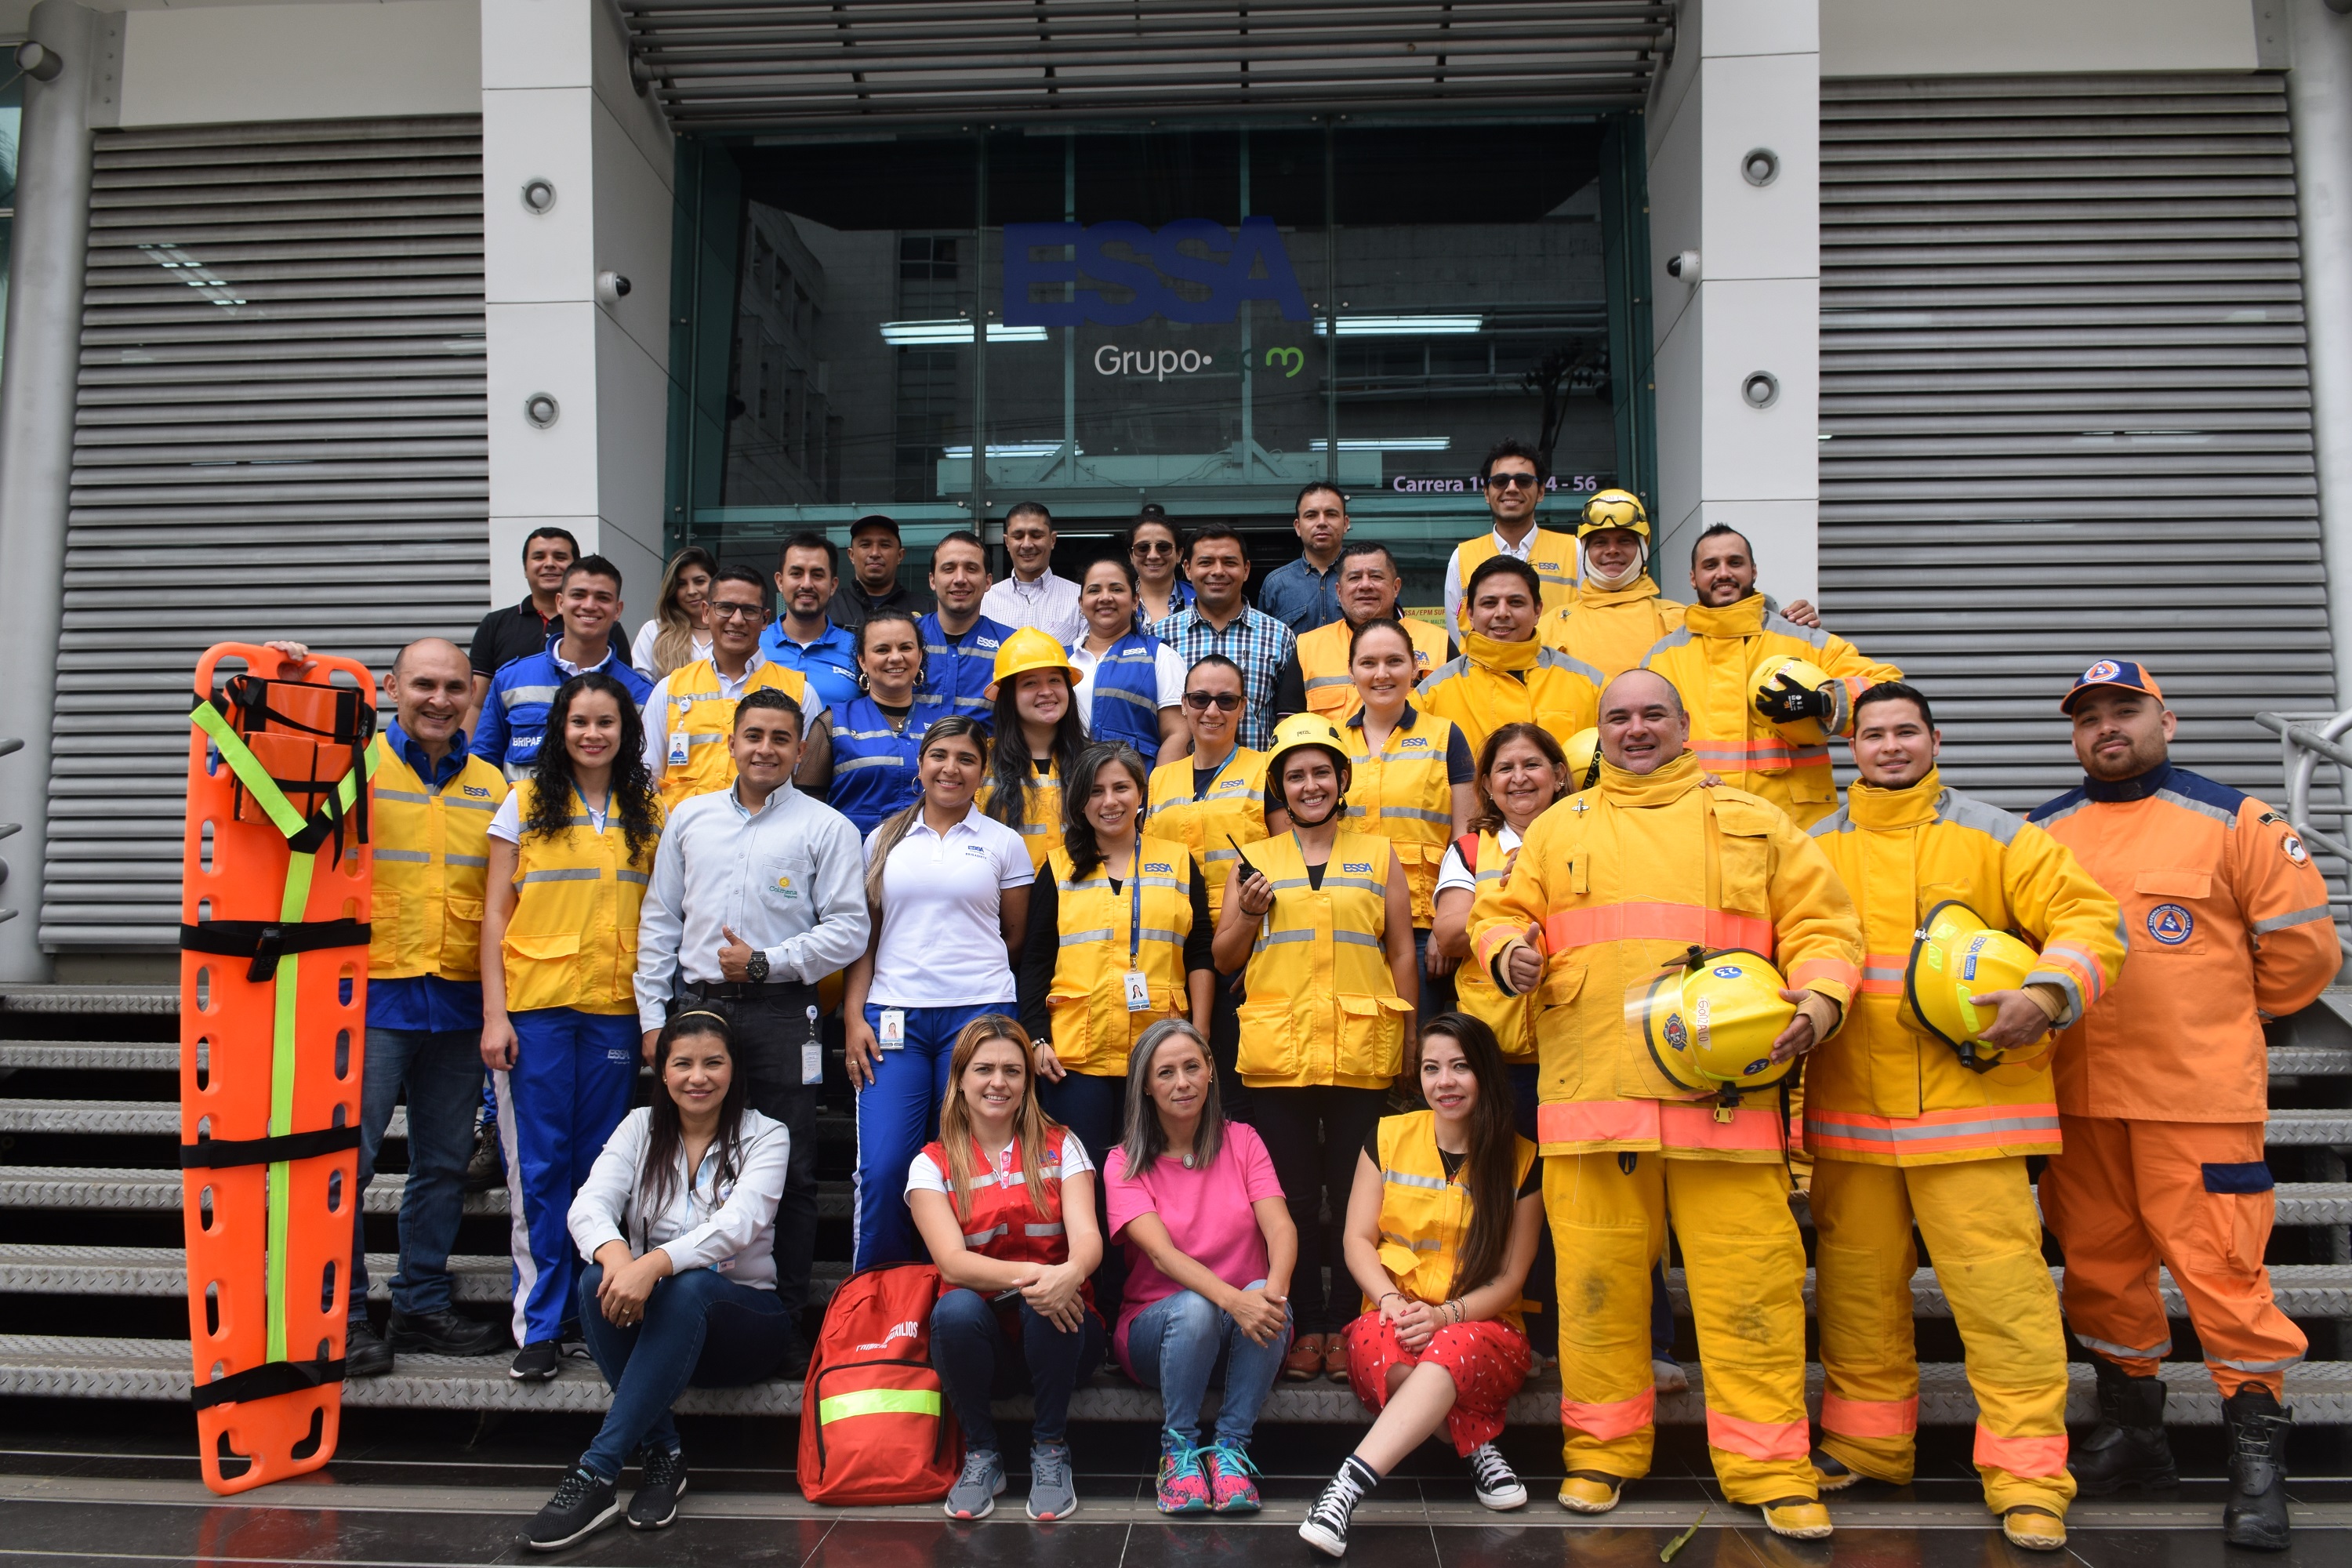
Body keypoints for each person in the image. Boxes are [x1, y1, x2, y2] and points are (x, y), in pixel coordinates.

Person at [1472, 670, 1861, 1540]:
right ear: (1598, 729)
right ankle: (1602, 1453)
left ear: (1685, 723)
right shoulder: (1555, 828)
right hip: (1593, 1102)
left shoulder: (1756, 819)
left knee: (1750, 1289)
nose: (1637, 728)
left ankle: (1771, 1466)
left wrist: (1821, 997)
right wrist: (1508, 955)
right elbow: (1498, 912)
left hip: (1726, 1105)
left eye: (1654, 713)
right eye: (1619, 716)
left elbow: (1826, 928)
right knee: (1598, 1290)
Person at [1803, 681, 2125, 1552]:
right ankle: (1868, 1444)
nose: (1891, 745)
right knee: (1857, 1296)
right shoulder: (1812, 846)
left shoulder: (1999, 832)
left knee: (2004, 1301)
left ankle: (2028, 1479)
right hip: (1852, 1119)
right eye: (1875, 733)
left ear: (1935, 738)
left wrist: (2047, 992)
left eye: (1907, 730)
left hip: (1974, 1117)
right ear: (1852, 747)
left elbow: (2091, 921)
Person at [2027, 660, 2336, 1550]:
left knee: (2224, 1276)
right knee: (2098, 1272)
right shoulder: (2046, 831)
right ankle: (2135, 1436)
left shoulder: (2238, 820)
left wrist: (2219, 1018)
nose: (2106, 728)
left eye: (2125, 710)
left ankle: (2256, 1463)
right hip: (2078, 1100)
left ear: (2168, 720)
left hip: (2196, 1101)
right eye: (2090, 717)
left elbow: (2301, 959)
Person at [632, 688, 869, 1377]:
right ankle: (679, 1303)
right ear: (730, 742)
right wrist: (655, 1018)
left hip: (781, 1013)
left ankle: (784, 1317)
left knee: (791, 1171)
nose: (765, 749)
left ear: (801, 750)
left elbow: (850, 929)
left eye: (780, 738)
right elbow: (660, 920)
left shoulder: (827, 828)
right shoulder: (690, 819)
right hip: (698, 1010)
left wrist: (770, 961)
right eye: (753, 736)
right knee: (686, 1159)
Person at [521, 1012, 791, 1550]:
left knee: (688, 1286)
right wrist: (621, 1256)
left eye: (713, 1062)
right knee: (594, 1280)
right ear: (662, 1073)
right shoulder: (638, 1128)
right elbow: (588, 1207)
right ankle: (664, 1454)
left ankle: (598, 1471)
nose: (699, 1077)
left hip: (744, 1327)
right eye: (683, 1063)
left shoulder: (768, 1135)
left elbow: (737, 1228)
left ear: (734, 1071)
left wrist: (653, 1264)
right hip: (662, 1333)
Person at [318, 637, 510, 1375]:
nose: (439, 700)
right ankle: (342, 1317)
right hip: (365, 1001)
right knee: (347, 1168)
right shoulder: (350, 767)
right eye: (424, 685)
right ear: (391, 687)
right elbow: (255, 766)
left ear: (473, 696)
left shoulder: (493, 786)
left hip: (459, 1006)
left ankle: (422, 1304)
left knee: (440, 1166)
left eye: (455, 687)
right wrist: (286, 668)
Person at [1213, 713, 1417, 1385]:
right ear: (1280, 785)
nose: (1310, 785)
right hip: (1280, 1059)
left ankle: (1344, 1320)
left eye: (1321, 772)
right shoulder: (1252, 859)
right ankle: (1304, 1321)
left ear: (1341, 779)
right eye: (1296, 775)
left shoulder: (1381, 853)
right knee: (1295, 1200)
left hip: (1362, 1051)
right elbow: (1223, 958)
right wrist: (1245, 909)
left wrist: (1411, 1038)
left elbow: (1399, 950)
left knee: (1355, 1198)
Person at [480, 672, 666, 1381]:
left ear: (627, 733)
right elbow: (495, 914)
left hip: (615, 1011)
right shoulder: (523, 804)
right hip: (537, 1011)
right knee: (541, 1166)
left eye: (606, 723)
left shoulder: (649, 813)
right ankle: (542, 1322)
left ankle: (591, 1314)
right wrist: (495, 1014)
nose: (593, 734)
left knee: (599, 1169)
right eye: (580, 722)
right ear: (560, 730)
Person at [1300, 1015, 1544, 1555]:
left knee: (1451, 1351)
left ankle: (1344, 1489)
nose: (1445, 1082)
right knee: (1389, 1349)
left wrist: (1445, 1317)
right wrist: (1388, 1299)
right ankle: (1478, 1446)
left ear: (1485, 1074)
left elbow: (1511, 1277)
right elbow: (1357, 1239)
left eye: (1460, 1067)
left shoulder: (1522, 1158)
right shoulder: (1387, 1137)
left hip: (1483, 1331)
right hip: (1391, 1320)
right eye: (1432, 1069)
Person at [1018, 742, 1217, 1314]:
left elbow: (1199, 951)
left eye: (1121, 788)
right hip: (1076, 1055)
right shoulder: (1056, 868)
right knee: (1088, 1186)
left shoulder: (1178, 861)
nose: (1110, 801)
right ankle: (1095, 1307)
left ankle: (1151, 1303)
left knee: (1156, 1183)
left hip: (1161, 1056)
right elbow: (1035, 960)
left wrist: (1198, 1039)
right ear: (1079, 804)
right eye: (1096, 791)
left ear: (1141, 795)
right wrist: (1035, 1038)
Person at [843, 717, 1034, 1268]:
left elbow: (1014, 937)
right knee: (884, 1166)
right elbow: (866, 939)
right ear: (921, 764)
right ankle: (877, 1303)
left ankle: (957, 1297)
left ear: (983, 771)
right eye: (940, 756)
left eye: (966, 759)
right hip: (894, 1016)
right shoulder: (883, 839)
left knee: (968, 1165)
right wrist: (856, 1016)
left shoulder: (1004, 843)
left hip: (979, 1017)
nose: (951, 768)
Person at [911, 1016, 1105, 1523]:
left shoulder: (1064, 1144)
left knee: (1052, 1299)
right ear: (959, 1078)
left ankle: (1050, 1449)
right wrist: (1037, 1275)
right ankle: (982, 1454)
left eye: (1012, 1071)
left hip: (1063, 1336)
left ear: (1027, 1080)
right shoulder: (931, 1164)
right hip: (983, 1344)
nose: (999, 1082)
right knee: (952, 1310)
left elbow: (1088, 1239)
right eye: (984, 1069)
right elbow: (952, 1262)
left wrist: (1068, 1274)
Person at [1104, 1019, 1294, 1515]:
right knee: (1196, 1309)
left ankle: (1231, 1451)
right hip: (1157, 1332)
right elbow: (1164, 1256)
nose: (1181, 1082)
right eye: (1165, 1072)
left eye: (1192, 1067)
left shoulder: (1244, 1140)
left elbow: (1281, 1229)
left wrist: (1272, 1296)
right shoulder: (1124, 1162)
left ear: (1211, 1071)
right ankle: (1179, 1452)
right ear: (1145, 1085)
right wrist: (1235, 1301)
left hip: (1244, 1324)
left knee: (1269, 1293)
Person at [1642, 523, 1900, 830]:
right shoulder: (1662, 658)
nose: (1723, 573)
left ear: (1753, 571)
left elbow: (1892, 694)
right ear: (1693, 577)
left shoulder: (1805, 641)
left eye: (1734, 563)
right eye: (1711, 565)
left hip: (1795, 830)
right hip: (1698, 828)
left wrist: (1824, 701)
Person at [1145, 655, 1284, 1123]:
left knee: (1234, 1084)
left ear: (1243, 707)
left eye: (1226, 700)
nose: (1212, 711)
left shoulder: (1265, 772)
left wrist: (1267, 951)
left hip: (1240, 946)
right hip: (1174, 947)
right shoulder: (1159, 779)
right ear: (1183, 706)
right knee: (1173, 1079)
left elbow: (1289, 863)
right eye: (1200, 699)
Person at [1342, 619, 1475, 1031]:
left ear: (1415, 669)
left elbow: (1466, 840)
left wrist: (1448, 926)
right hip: (1349, 923)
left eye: (1394, 661)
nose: (1382, 674)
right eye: (1369, 662)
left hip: (1424, 929)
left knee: (1422, 1051)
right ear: (1352, 671)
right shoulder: (1329, 742)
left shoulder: (1446, 737)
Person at [640, 565, 829, 808]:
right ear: (706, 612)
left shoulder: (800, 692)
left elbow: (806, 783)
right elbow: (647, 779)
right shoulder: (670, 689)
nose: (737, 620)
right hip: (685, 839)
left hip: (768, 837)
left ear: (765, 619)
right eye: (726, 608)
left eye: (749, 610)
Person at [474, 555, 654, 778]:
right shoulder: (511, 679)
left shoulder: (642, 693)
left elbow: (647, 771)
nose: (589, 605)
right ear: (560, 602)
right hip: (522, 812)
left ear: (617, 610)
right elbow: (483, 765)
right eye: (578, 595)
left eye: (602, 598)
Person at [1420, 555, 1604, 759]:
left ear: (1537, 611)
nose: (1502, 613)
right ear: (1470, 612)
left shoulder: (1592, 687)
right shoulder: (1430, 696)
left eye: (1516, 602)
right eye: (1489, 603)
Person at [1150, 524, 1295, 752]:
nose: (1218, 571)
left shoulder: (1279, 636)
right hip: (1181, 782)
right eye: (1206, 562)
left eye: (1229, 562)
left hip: (1257, 783)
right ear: (1187, 569)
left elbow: (1289, 719)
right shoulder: (1159, 637)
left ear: (1246, 570)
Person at [1275, 541, 1451, 725]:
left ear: (1396, 587)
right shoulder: (1308, 648)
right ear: (1339, 591)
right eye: (1354, 578)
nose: (1365, 585)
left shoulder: (1439, 643)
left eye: (1376, 576)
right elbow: (1288, 725)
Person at [827, 609, 949, 836]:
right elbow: (809, 803)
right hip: (852, 861)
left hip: (929, 863)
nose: (895, 657)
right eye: (882, 649)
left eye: (905, 648)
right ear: (862, 660)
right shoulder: (832, 722)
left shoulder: (944, 725)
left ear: (920, 656)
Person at [978, 628, 1088, 873]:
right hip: (1005, 903)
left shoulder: (1092, 760)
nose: (1046, 691)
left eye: (1055, 680)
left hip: (1079, 904)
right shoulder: (980, 761)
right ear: (1009, 696)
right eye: (1030, 683)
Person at [1442, 439, 1577, 637]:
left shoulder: (1574, 550)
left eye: (1523, 481)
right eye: (1500, 481)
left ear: (1540, 491)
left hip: (1557, 668)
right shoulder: (1461, 557)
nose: (1512, 488)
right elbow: (1456, 634)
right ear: (1487, 493)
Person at [1068, 556, 1187, 765]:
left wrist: (1156, 795)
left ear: (1134, 601)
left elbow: (1178, 734)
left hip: (1135, 794)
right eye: (1094, 590)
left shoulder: (1160, 655)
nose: (1105, 598)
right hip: (1067, 792)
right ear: (1081, 603)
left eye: (1116, 589)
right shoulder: (1061, 660)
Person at [468, 525, 579, 724]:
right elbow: (475, 704)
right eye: (539, 557)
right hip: (511, 748)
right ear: (525, 568)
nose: (550, 564)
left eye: (560, 557)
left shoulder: (599, 625)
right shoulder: (495, 625)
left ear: (576, 569)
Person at [916, 530, 1013, 727]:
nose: (960, 578)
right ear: (932, 580)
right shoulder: (905, 638)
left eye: (971, 568)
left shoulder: (1011, 646)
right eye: (949, 569)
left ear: (988, 582)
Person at [760, 531, 863, 713]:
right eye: (797, 573)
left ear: (833, 585)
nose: (807, 584)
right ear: (780, 581)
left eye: (817, 575)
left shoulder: (858, 649)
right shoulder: (755, 644)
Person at [980, 501, 1084, 645]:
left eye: (1036, 535)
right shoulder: (985, 601)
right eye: (1018, 536)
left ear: (1052, 540)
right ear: (1007, 542)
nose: (1027, 544)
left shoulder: (1079, 599)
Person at [1258, 481, 1350, 634]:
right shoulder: (1276, 584)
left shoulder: (1367, 577)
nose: (1321, 522)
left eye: (1331, 514)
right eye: (1311, 516)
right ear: (1298, 527)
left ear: (1346, 523)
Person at [829, 513, 935, 632]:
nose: (875, 553)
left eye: (885, 545)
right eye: (865, 545)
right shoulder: (829, 605)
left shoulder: (928, 609)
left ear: (900, 556)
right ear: (851, 555)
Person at [629, 546, 716, 681]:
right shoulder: (654, 631)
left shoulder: (731, 630)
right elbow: (641, 689)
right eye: (681, 584)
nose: (691, 591)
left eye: (699, 581)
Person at [1129, 507, 1194, 628]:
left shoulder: (1200, 600)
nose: (1153, 555)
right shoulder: (1118, 602)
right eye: (1143, 548)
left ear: (1179, 554)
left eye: (1164, 548)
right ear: (1131, 556)